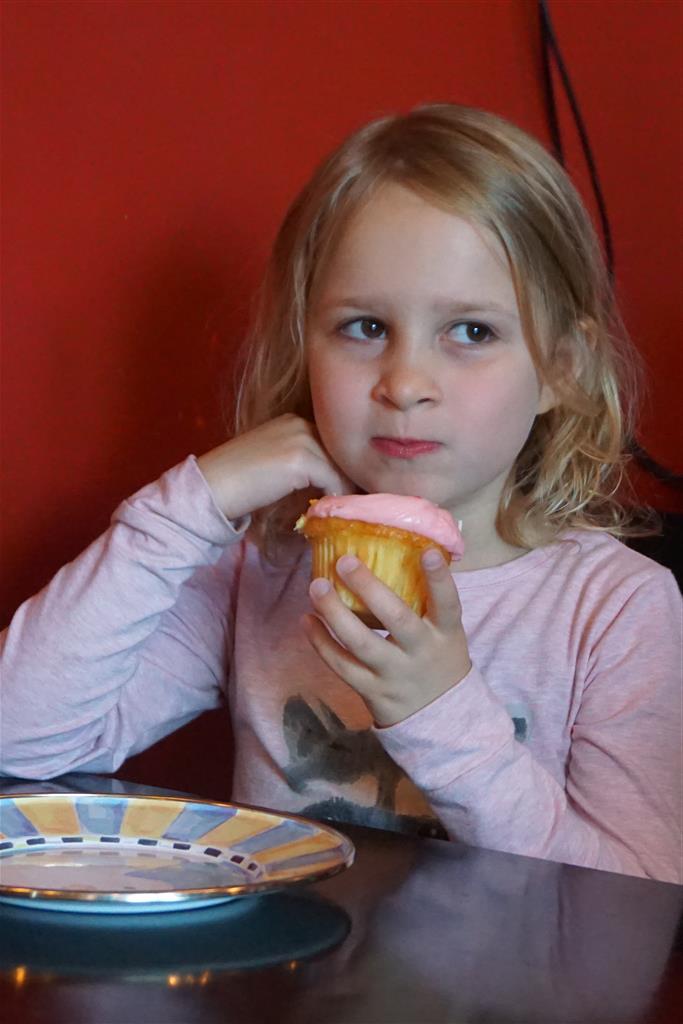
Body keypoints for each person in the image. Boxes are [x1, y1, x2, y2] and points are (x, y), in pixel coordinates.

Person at [1, 104, 680, 883]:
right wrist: (192, 504)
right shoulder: (261, 568)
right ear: (306, 343)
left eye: (471, 332)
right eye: (364, 327)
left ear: (560, 367)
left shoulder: (614, 608)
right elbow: (20, 736)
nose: (404, 383)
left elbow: (640, 904)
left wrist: (440, 712)